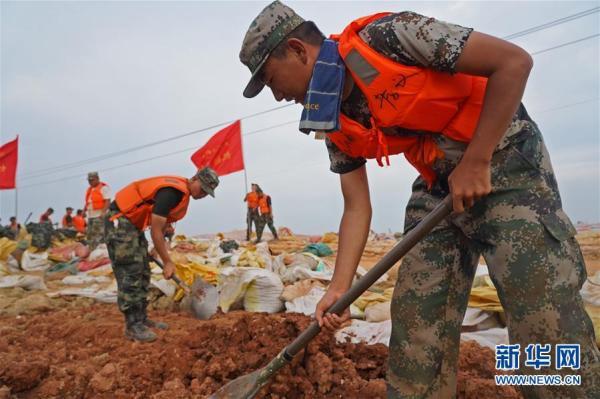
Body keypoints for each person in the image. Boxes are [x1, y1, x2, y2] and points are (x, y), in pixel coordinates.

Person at [239, 2, 600, 398]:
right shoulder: (331, 116)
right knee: (416, 321)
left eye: (272, 80)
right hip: (439, 184)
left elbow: (513, 63)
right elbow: (356, 205)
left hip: (505, 165)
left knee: (543, 321)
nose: (276, 96)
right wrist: (338, 287)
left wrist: (477, 159)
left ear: (297, 49)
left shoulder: (388, 37)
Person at [105, 168, 219, 342]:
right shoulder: (172, 192)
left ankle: (141, 318)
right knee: (131, 271)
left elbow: (163, 228)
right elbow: (156, 230)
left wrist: (156, 250)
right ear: (194, 178)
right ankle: (132, 325)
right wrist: (167, 262)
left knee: (143, 270)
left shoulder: (182, 195)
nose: (203, 194)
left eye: (207, 192)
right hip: (120, 222)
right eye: (202, 189)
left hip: (132, 225)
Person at [84, 172, 110, 250]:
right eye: (89, 181)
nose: (90, 182)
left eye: (92, 180)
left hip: (98, 215)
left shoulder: (103, 188)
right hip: (91, 216)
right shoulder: (90, 189)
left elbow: (107, 200)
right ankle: (92, 251)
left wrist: (103, 212)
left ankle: (98, 252)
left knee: (98, 235)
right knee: (90, 235)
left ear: (97, 178)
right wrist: (84, 210)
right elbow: (89, 201)